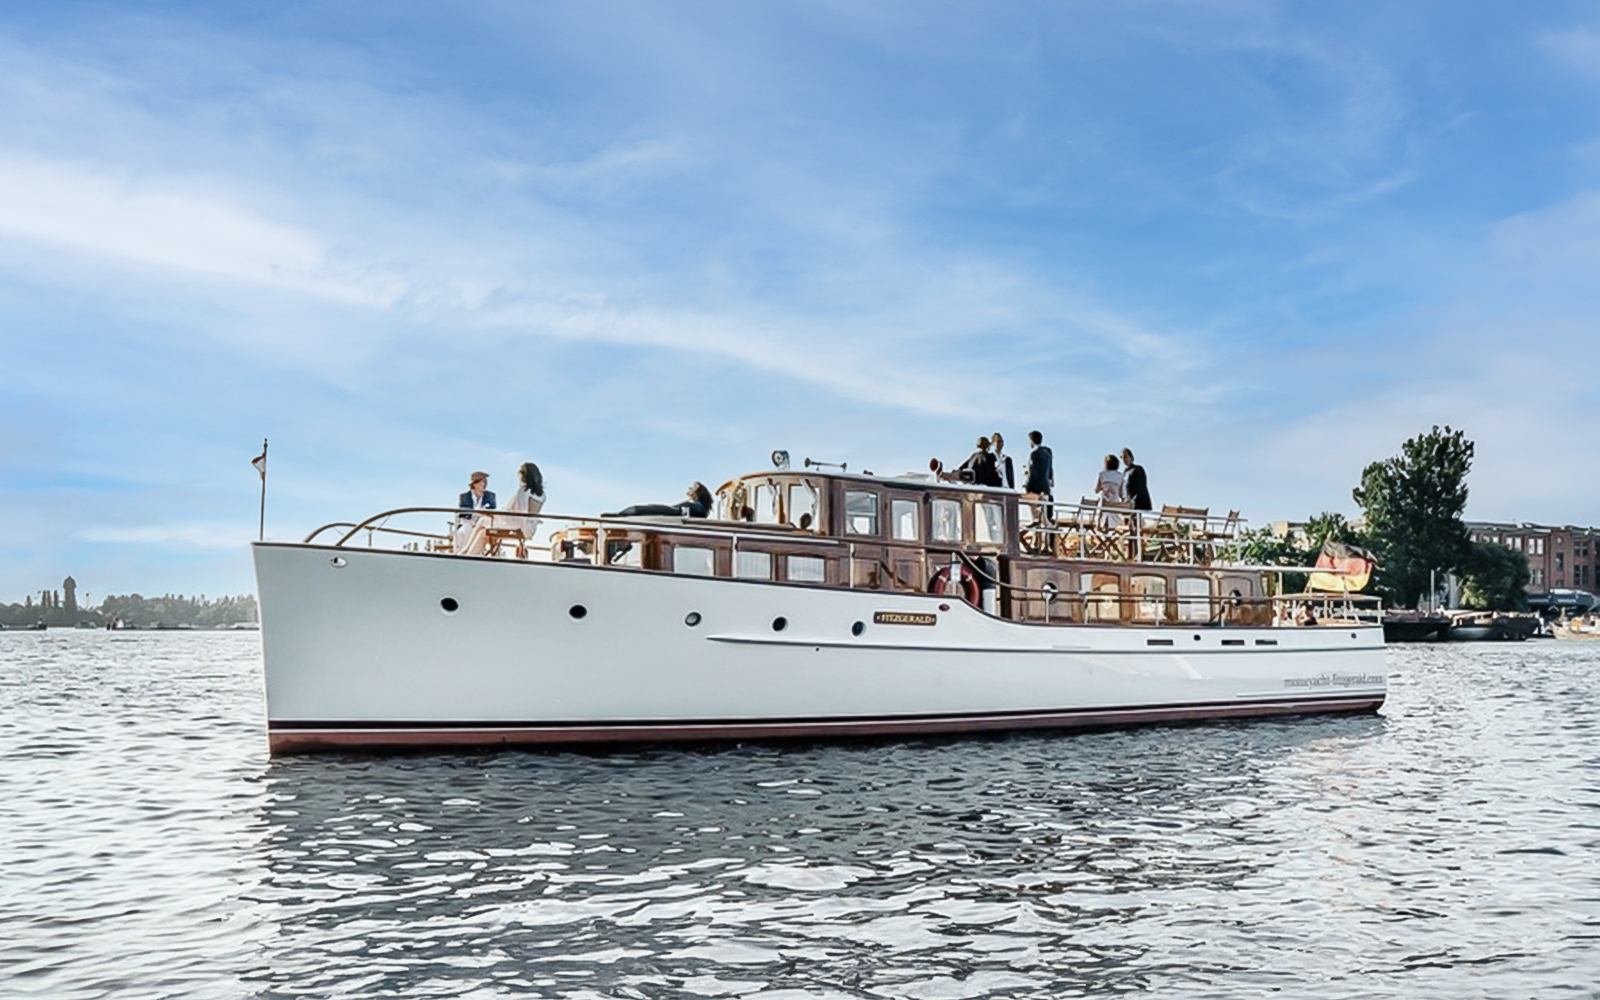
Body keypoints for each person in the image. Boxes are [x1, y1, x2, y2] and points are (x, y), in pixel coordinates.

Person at [464, 462, 545, 555]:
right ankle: (469, 552)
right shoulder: (541, 494)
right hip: (530, 527)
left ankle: (467, 551)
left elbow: (517, 512)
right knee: (483, 531)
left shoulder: (523, 491)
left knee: (482, 520)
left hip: (517, 525)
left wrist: (494, 513)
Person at [606, 482, 713, 519]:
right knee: (636, 509)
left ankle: (618, 516)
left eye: (693, 487)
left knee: (637, 510)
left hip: (664, 513)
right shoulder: (695, 506)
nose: (689, 489)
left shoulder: (698, 508)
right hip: (665, 511)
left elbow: (675, 512)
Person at [455, 471, 495, 551]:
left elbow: (492, 510)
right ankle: (460, 554)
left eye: (486, 482)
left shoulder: (490, 496)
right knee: (462, 532)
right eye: (483, 482)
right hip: (468, 522)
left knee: (476, 533)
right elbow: (463, 513)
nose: (485, 484)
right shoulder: (465, 497)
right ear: (475, 483)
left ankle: (470, 554)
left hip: (483, 524)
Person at [1024, 430, 1053, 498]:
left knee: (1035, 508)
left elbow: (1035, 473)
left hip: (1036, 490)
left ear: (1032, 440)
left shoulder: (1035, 454)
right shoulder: (1047, 453)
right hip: (1045, 489)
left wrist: (1028, 486)